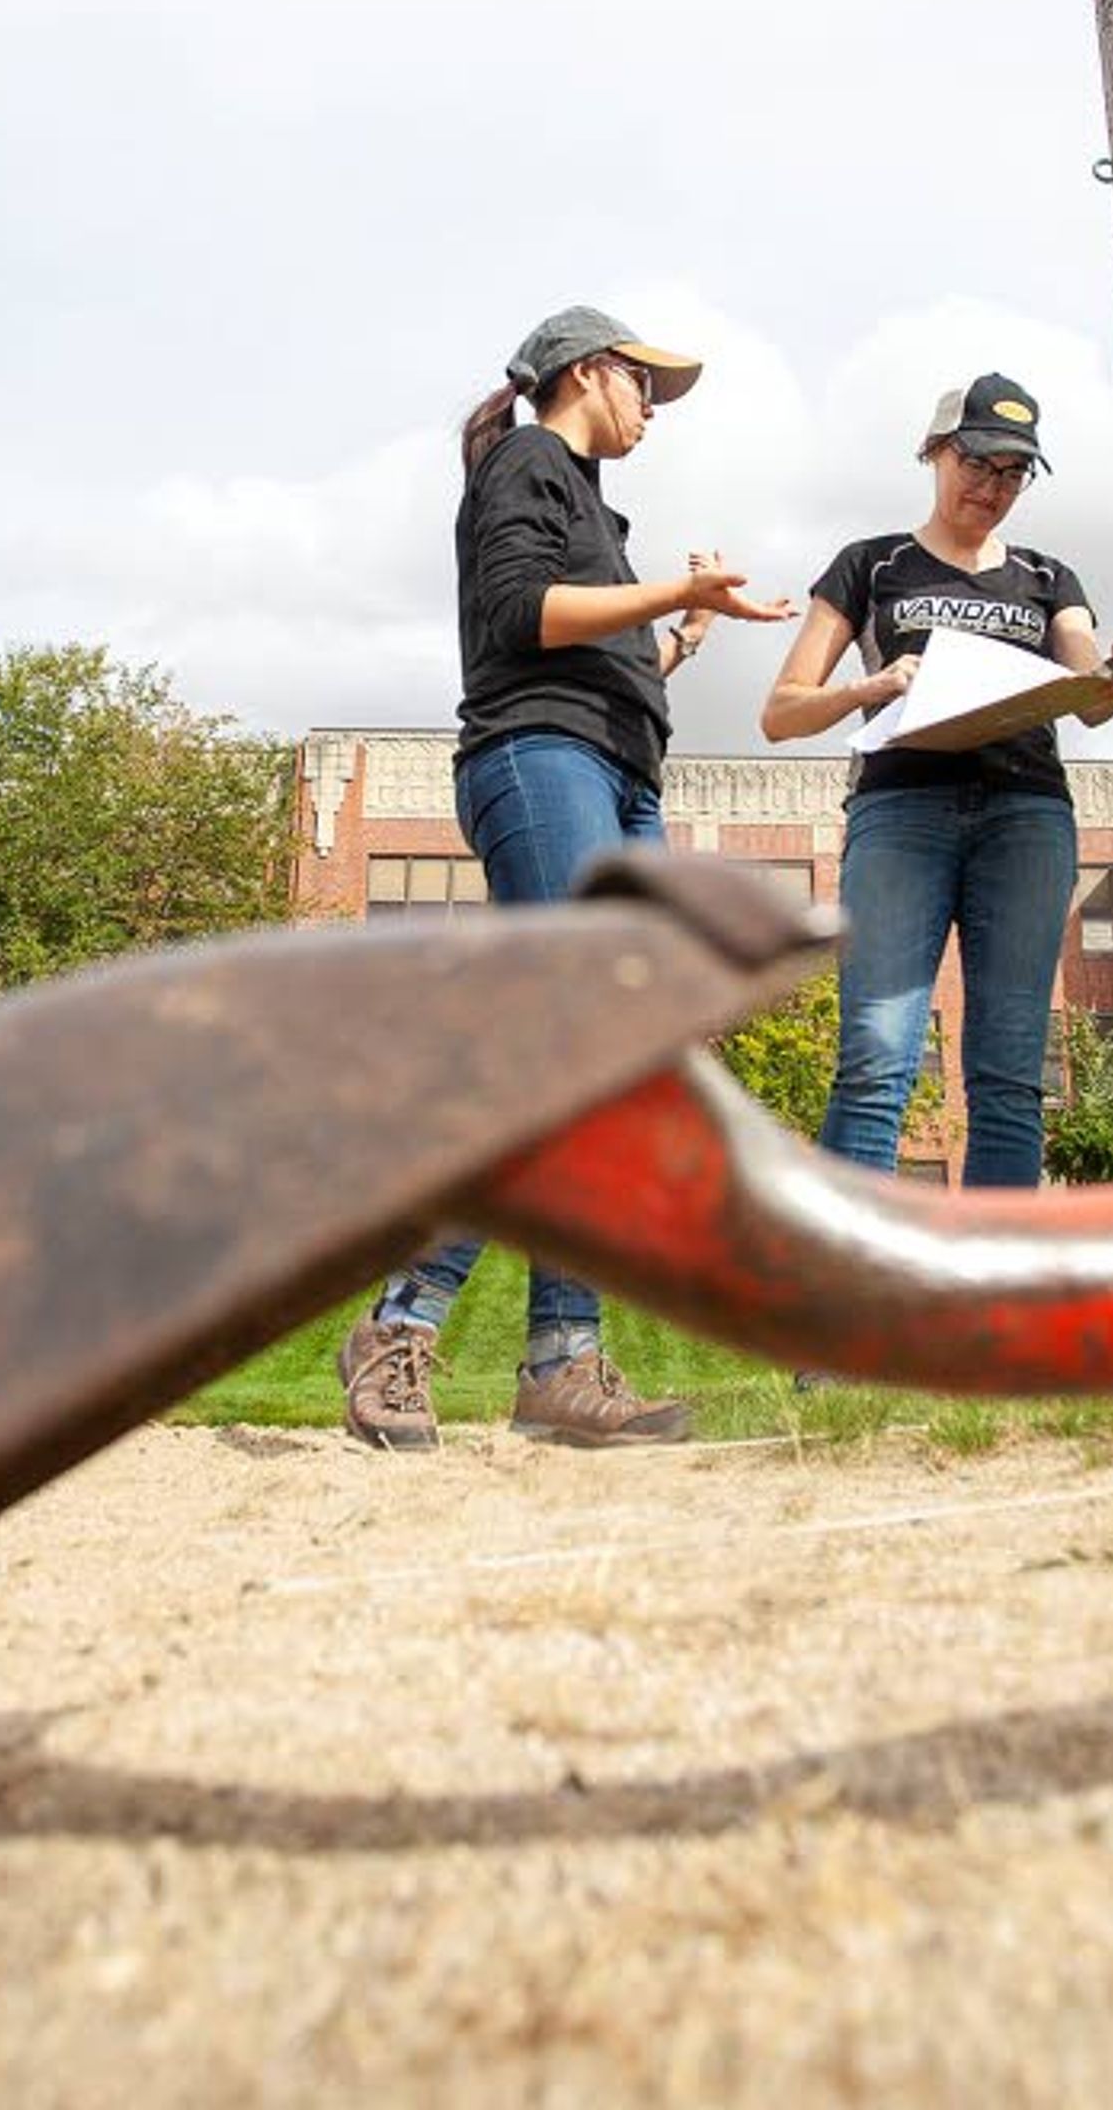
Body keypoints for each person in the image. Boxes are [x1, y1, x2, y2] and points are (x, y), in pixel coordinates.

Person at [337, 304, 795, 1452]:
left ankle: (560, 1366)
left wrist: (686, 635)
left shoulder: (593, 503)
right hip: (540, 763)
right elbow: (521, 614)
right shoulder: (529, 460)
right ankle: (403, 1321)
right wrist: (671, 599)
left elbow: (601, 645)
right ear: (589, 372)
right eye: (647, 386)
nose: (654, 408)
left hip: (613, 769)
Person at [758, 373, 1113, 1198]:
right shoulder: (871, 567)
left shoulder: (1051, 578)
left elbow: (1085, 697)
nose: (992, 487)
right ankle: (847, 1281)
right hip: (900, 813)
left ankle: (995, 1294)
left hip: (1026, 818)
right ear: (935, 452)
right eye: (976, 462)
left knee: (1011, 1070)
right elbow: (781, 713)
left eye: (1014, 473)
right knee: (877, 1054)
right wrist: (866, 689)